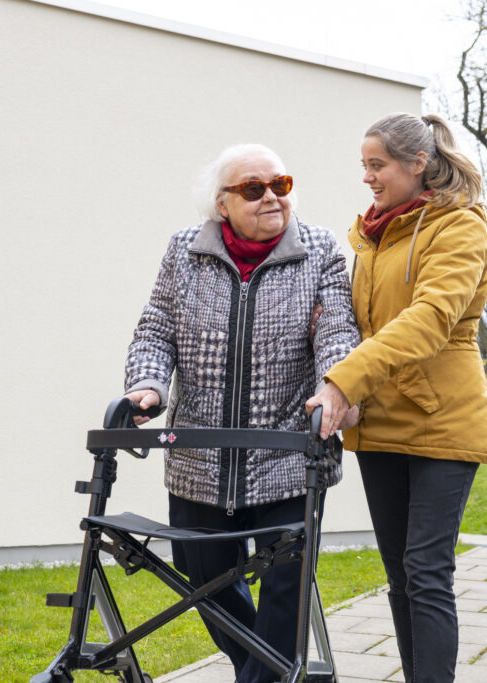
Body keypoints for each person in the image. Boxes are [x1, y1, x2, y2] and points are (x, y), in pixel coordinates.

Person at [123, 143, 360, 683]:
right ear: (222, 203)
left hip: (288, 453)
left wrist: (336, 384)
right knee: (203, 574)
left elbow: (338, 332)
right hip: (199, 456)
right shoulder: (185, 250)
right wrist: (148, 386)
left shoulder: (320, 249)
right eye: (254, 189)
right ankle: (260, 671)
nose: (272, 197)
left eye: (281, 184)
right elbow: (157, 327)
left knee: (286, 581)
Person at [306, 113, 487, 682]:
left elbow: (430, 319)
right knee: (399, 573)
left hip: (443, 418)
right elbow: (359, 320)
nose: (367, 177)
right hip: (381, 421)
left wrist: (344, 379)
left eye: (378, 165)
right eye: (364, 166)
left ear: (418, 164)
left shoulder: (459, 226)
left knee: (427, 570)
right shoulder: (373, 235)